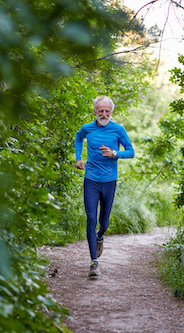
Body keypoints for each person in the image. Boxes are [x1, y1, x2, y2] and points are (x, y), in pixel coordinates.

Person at [74, 96, 135, 277]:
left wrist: (115, 153)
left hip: (109, 181)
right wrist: (79, 157)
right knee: (91, 218)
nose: (104, 114)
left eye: (107, 111)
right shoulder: (87, 128)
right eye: (100, 110)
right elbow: (78, 138)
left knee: (104, 222)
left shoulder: (118, 129)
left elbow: (130, 151)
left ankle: (100, 236)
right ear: (95, 111)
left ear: (111, 112)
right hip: (91, 180)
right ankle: (94, 262)